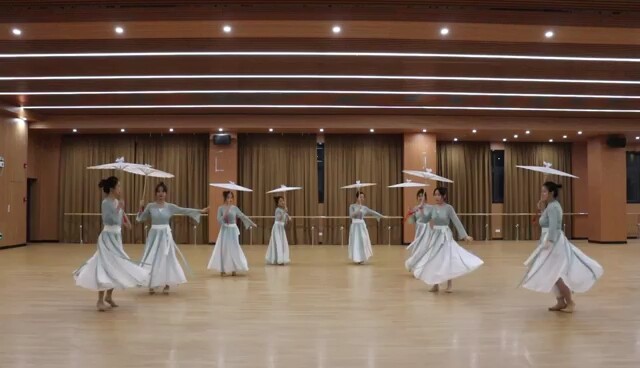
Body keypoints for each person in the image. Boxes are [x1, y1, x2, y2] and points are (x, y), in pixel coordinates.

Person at [520, 181, 603, 313]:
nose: (542, 194)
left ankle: (569, 302)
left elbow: (553, 226)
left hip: (553, 243)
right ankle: (560, 301)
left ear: (551, 193)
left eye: (544, 191)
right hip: (549, 240)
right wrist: (541, 208)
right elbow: (543, 221)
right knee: (551, 272)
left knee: (555, 274)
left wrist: (550, 241)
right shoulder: (550, 206)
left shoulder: (553, 207)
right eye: (542, 191)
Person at [73, 176, 148, 311]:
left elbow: (121, 218)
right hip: (107, 237)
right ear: (112, 188)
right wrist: (119, 208)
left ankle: (109, 296)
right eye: (118, 186)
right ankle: (100, 300)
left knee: (116, 265)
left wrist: (126, 221)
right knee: (105, 265)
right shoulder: (106, 202)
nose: (120, 189)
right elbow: (108, 219)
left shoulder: (117, 202)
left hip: (116, 237)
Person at [136, 182, 208, 295]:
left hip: (165, 236)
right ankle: (152, 283)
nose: (161, 193)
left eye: (163, 191)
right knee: (152, 258)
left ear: (166, 193)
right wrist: (140, 208)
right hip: (154, 235)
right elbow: (140, 219)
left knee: (166, 258)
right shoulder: (150, 206)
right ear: (155, 193)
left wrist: (200, 211)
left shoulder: (170, 207)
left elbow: (184, 210)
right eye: (158, 191)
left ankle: (167, 283)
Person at [413, 187, 482, 292]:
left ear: (444, 196)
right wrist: (421, 209)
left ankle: (449, 284)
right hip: (435, 236)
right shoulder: (432, 208)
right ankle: (435, 284)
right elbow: (424, 220)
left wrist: (465, 236)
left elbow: (456, 221)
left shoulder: (448, 208)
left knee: (447, 258)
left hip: (445, 235)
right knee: (434, 259)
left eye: (438, 195)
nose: (436, 197)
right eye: (435, 194)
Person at [207, 191, 256, 276]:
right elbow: (219, 219)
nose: (230, 199)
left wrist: (251, 222)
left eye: (231, 197)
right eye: (228, 197)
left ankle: (234, 268)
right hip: (225, 230)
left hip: (233, 230)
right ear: (225, 198)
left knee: (234, 248)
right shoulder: (221, 208)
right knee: (224, 249)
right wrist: (225, 214)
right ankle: (223, 270)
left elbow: (242, 216)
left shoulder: (234, 208)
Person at [348, 191, 384, 264]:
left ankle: (362, 257)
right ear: (357, 197)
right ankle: (357, 258)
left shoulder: (364, 208)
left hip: (362, 226)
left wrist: (381, 216)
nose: (361, 198)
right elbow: (351, 216)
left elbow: (372, 212)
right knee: (356, 241)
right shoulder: (352, 206)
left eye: (363, 197)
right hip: (355, 226)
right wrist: (358, 210)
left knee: (363, 241)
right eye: (360, 197)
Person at [404, 188, 433, 273]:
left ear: (425, 197)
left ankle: (424, 268)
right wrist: (410, 214)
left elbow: (427, 218)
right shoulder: (415, 208)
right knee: (417, 248)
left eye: (422, 196)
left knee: (424, 248)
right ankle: (416, 267)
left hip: (426, 230)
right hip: (419, 230)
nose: (421, 198)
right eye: (419, 196)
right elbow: (411, 221)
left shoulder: (430, 207)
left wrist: (422, 210)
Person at [265, 196, 291, 265]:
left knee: (282, 243)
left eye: (283, 200)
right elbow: (278, 218)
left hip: (281, 229)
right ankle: (279, 260)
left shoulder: (283, 210)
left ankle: (281, 258)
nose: (282, 202)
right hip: (277, 228)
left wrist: (287, 216)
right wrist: (284, 212)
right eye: (280, 201)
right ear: (277, 203)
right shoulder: (277, 210)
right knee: (278, 243)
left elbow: (284, 222)